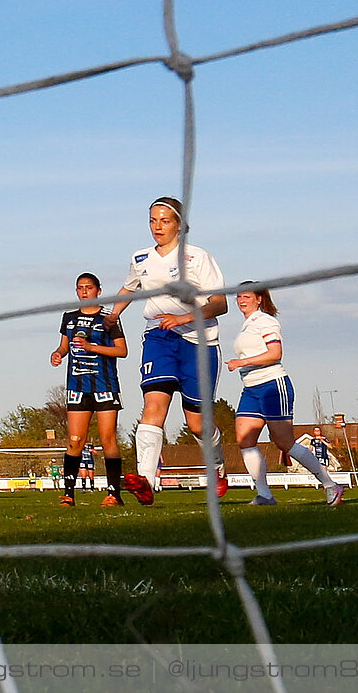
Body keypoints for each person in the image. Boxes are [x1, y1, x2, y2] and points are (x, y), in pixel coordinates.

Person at [118, 197, 229, 505]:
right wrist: (112, 316)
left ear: (180, 224)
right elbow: (129, 287)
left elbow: (220, 303)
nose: (158, 227)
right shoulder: (140, 258)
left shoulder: (198, 257)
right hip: (159, 337)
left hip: (199, 342)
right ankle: (147, 481)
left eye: (165, 221)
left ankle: (218, 469)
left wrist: (182, 317)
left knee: (198, 423)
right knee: (153, 405)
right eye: (153, 220)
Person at [225, 284, 343, 506]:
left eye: (246, 296)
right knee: (244, 439)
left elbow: (275, 353)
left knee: (284, 442)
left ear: (259, 299)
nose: (241, 300)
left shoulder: (266, 321)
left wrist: (242, 362)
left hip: (272, 385)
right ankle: (264, 495)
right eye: (239, 296)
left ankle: (330, 485)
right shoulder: (246, 325)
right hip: (250, 388)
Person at [50, 272, 128, 507]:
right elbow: (64, 346)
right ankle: (68, 494)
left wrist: (92, 347)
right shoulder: (69, 317)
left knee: (108, 439)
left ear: (98, 291)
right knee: (75, 440)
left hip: (104, 385)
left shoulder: (108, 319)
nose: (84, 292)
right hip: (77, 387)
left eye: (89, 288)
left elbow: (121, 351)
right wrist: (58, 354)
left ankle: (114, 493)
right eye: (80, 288)